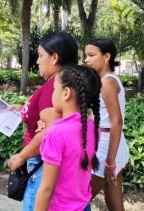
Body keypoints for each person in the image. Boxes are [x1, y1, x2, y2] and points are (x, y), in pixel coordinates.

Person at [7, 32, 78, 211]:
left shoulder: (56, 86)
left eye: (40, 55)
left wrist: (21, 156)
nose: (37, 61)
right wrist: (23, 108)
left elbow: (51, 132)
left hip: (40, 164)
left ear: (54, 57)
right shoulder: (66, 82)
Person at [34, 65, 101, 211]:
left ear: (66, 93)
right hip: (83, 206)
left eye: (54, 89)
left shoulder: (56, 134)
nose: (52, 93)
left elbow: (46, 189)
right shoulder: (92, 127)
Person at [84, 39, 130, 211]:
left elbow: (116, 122)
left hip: (107, 148)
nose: (86, 60)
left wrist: (110, 163)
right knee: (115, 205)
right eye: (85, 56)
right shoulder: (103, 81)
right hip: (111, 146)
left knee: (80, 200)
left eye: (91, 55)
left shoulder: (107, 83)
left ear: (107, 56)